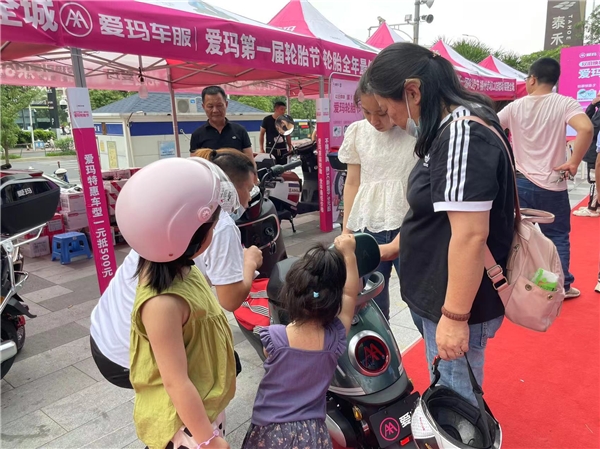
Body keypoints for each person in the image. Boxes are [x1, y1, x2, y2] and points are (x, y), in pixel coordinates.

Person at [368, 42, 515, 406]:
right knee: (448, 386)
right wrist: (390, 249)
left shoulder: (463, 133)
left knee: (456, 399)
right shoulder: (447, 129)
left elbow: (469, 234)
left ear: (413, 91)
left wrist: (453, 317)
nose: (394, 122)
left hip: (454, 299)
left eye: (389, 110)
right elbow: (433, 214)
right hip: (438, 291)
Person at [90, 149, 262, 390]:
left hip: (104, 334)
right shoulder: (218, 223)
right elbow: (230, 299)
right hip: (130, 357)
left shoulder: (170, 221)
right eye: (249, 188)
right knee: (221, 371)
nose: (250, 196)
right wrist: (250, 262)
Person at [116, 157, 237, 448]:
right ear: (187, 236)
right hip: (184, 431)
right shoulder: (162, 304)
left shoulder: (183, 268)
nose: (215, 231)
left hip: (201, 412)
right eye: (212, 226)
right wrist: (208, 440)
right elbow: (175, 382)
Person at [241, 234, 360, 449]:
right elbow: (350, 294)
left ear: (289, 297)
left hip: (269, 430)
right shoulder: (334, 339)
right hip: (312, 433)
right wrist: (349, 254)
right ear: (333, 304)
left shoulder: (274, 338)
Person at [498, 58, 594, 299]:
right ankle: (559, 287)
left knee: (518, 234)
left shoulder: (515, 107)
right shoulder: (564, 103)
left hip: (519, 183)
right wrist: (573, 162)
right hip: (552, 184)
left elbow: (491, 126)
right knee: (557, 236)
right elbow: (586, 128)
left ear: (532, 78)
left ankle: (514, 281)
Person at [338, 73, 416, 320]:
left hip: (409, 225)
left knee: (418, 300)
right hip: (367, 225)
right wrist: (346, 231)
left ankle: (435, 355)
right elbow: (352, 182)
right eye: (366, 112)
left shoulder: (414, 131)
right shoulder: (357, 132)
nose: (374, 120)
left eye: (381, 112)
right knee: (370, 303)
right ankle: (381, 356)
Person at [189, 86, 254, 163]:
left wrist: (254, 174)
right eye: (210, 106)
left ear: (226, 104)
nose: (215, 110)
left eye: (219, 105)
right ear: (203, 107)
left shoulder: (240, 131)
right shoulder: (197, 135)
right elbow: (195, 164)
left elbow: (251, 163)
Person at [574, 94, 600, 217]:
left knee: (594, 179)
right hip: (594, 150)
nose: (597, 97)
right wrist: (592, 105)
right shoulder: (597, 110)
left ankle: (593, 207)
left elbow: (590, 128)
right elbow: (586, 120)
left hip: (595, 152)